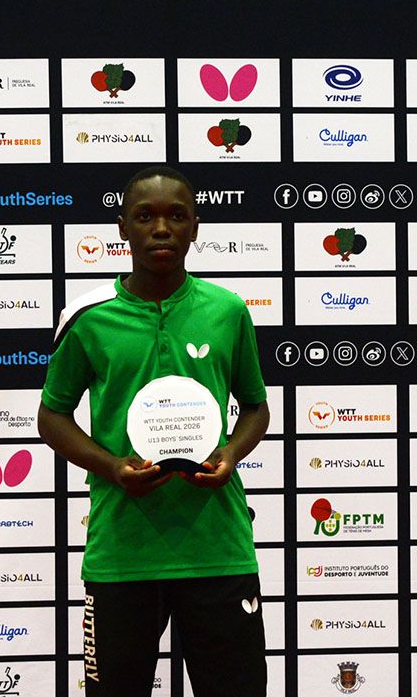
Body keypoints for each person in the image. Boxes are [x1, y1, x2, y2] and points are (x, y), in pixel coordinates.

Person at [38, 165, 270, 697]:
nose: (161, 228)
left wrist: (231, 454)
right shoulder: (88, 318)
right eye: (144, 216)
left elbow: (256, 409)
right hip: (123, 554)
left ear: (195, 227)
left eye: (176, 216)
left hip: (218, 549)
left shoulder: (228, 310)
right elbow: (51, 417)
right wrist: (113, 467)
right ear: (122, 227)